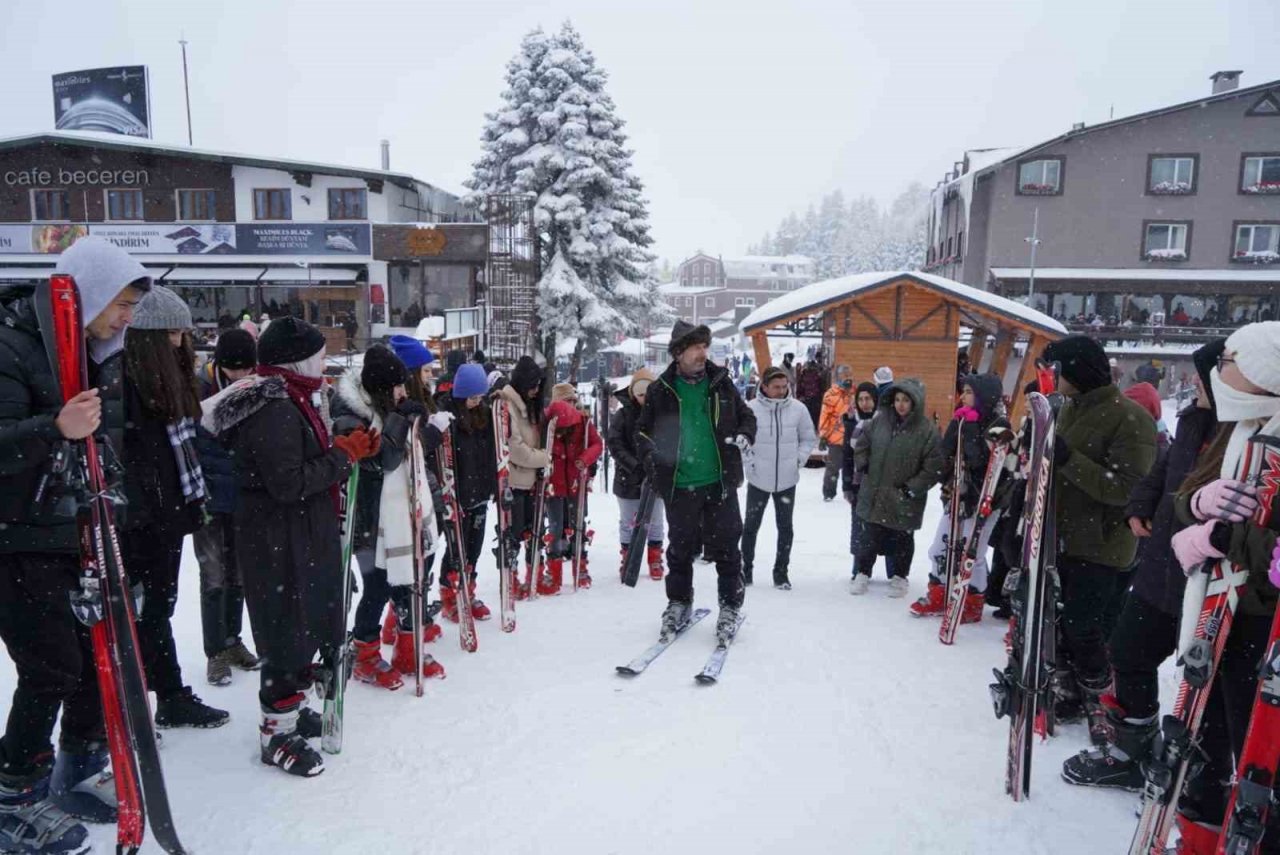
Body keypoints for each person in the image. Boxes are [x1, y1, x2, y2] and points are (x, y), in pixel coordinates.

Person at [0, 238, 148, 849]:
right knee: (51, 667)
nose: (125, 318)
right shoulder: (11, 346)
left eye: (132, 307)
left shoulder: (89, 352)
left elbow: (99, 441)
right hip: (16, 537)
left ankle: (80, 764)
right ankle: (15, 795)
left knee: (96, 654)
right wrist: (53, 428)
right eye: (119, 303)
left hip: (77, 529)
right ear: (84, 290)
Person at [203, 316, 380, 778]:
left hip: (297, 535)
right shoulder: (274, 407)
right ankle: (274, 731)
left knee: (304, 625)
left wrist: (340, 448)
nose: (324, 363)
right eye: (318, 355)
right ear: (295, 360)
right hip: (279, 540)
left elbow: (298, 464)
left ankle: (292, 705)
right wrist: (343, 456)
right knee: (287, 630)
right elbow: (287, 482)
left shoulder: (293, 397)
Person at [1061, 339, 1222, 791]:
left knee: (1208, 690)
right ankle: (1131, 749)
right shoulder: (1194, 422)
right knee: (1128, 653)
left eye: (1205, 372)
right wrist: (1141, 504)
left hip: (1208, 582)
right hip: (1160, 566)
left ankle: (1201, 785)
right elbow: (1162, 471)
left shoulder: (1245, 434)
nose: (1194, 382)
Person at [1159, 322, 1280, 849]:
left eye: (1230, 360)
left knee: (1254, 750)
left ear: (1262, 372)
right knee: (1207, 726)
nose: (1218, 369)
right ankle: (1202, 826)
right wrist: (1200, 511)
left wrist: (1229, 539)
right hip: (1219, 605)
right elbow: (1186, 493)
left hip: (1261, 621)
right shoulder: (1238, 427)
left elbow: (1262, 538)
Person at [117, 287, 230, 730]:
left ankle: (167, 694)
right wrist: (154, 511)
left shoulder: (167, 382)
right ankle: (147, 699)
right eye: (174, 334)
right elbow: (139, 461)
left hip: (167, 516)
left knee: (158, 608)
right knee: (144, 612)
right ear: (148, 337)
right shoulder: (128, 385)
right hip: (141, 522)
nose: (182, 343)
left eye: (184, 333)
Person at [1038, 334, 1156, 735]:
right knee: (1060, 621)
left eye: (1060, 369)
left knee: (1084, 627)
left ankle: (1101, 693)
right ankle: (1070, 691)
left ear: (1078, 370)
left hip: (1104, 544)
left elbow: (1128, 489)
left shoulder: (1130, 418)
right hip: (1063, 536)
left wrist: (1069, 460)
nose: (1055, 378)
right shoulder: (1068, 409)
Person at [331, 345, 446, 688]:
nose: (402, 392)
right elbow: (383, 461)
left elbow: (412, 455)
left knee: (409, 583)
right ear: (381, 388)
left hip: (399, 517)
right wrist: (400, 420)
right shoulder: (350, 414)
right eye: (397, 387)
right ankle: (365, 652)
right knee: (377, 588)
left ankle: (408, 648)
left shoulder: (387, 407)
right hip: (368, 520)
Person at [637, 320, 756, 642]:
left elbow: (747, 416)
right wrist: (653, 464)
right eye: (697, 347)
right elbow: (643, 434)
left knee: (729, 549)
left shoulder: (720, 383)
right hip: (680, 486)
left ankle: (730, 605)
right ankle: (679, 602)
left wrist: (745, 435)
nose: (704, 353)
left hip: (719, 483)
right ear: (679, 352)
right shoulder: (661, 390)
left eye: (705, 346)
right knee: (680, 551)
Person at [909, 373, 1009, 620]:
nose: (963, 396)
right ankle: (939, 591)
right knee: (940, 545)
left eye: (968, 392)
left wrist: (972, 429)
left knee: (971, 553)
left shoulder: (1000, 426)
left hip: (984, 501)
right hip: (958, 496)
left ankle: (973, 599)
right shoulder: (962, 419)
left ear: (983, 396)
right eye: (963, 391)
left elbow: (981, 462)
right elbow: (945, 455)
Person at [194, 329, 262, 687]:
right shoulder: (199, 389)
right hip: (209, 496)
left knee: (239, 574)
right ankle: (214, 653)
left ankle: (233, 641)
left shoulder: (257, 386)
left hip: (243, 495)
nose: (239, 376)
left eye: (245, 368)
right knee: (213, 576)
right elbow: (196, 442)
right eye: (233, 369)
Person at [850, 379, 944, 597]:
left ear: (915, 403)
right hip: (875, 490)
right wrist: (863, 465)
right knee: (868, 537)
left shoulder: (927, 431)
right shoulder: (879, 421)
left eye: (906, 400)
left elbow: (933, 466)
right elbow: (862, 444)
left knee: (901, 539)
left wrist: (912, 488)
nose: (901, 405)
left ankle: (900, 577)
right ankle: (863, 573)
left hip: (903, 495)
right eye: (898, 400)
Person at [741, 366, 817, 589]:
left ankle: (781, 573)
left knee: (785, 528)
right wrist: (750, 464)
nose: (782, 391)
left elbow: (807, 438)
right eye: (776, 387)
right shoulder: (750, 409)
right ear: (764, 386)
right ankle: (746, 571)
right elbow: (743, 441)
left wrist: (798, 460)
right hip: (758, 478)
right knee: (750, 527)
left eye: (785, 387)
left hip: (786, 479)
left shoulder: (798, 409)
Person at [436, 363, 498, 620]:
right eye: (472, 397)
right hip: (458, 493)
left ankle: (468, 590)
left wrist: (493, 485)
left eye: (480, 397)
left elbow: (491, 454)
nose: (477, 401)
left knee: (474, 548)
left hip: (479, 493)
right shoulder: (447, 417)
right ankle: (449, 593)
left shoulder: (484, 416)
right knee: (455, 550)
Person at [495, 356, 553, 598]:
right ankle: (511, 577)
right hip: (516, 481)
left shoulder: (530, 406)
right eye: (533, 385)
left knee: (535, 531)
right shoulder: (507, 407)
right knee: (513, 535)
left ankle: (535, 574)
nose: (536, 390)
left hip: (533, 481)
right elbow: (515, 449)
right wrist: (544, 457)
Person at [607, 368, 666, 582]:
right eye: (641, 394)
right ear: (634, 394)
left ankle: (655, 557)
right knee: (628, 521)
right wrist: (634, 465)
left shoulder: (662, 415)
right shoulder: (623, 416)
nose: (644, 399)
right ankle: (628, 557)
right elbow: (615, 443)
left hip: (656, 477)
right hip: (628, 478)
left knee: (656, 520)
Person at [543, 386, 604, 592]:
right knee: (556, 526)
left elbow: (597, 444)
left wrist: (584, 459)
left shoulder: (583, 423)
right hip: (555, 482)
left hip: (576, 482)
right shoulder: (549, 423)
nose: (569, 406)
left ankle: (581, 565)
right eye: (565, 401)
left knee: (578, 524)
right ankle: (554, 569)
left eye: (571, 401)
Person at [841, 381, 879, 576]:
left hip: (880, 483)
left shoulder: (884, 422)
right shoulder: (851, 423)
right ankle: (860, 568)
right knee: (859, 526)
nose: (865, 403)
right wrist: (846, 485)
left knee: (882, 526)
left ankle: (895, 571)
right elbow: (847, 456)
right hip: (858, 483)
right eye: (861, 399)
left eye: (868, 399)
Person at [818, 365, 854, 501]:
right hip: (836, 438)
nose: (848, 377)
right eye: (845, 375)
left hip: (853, 437)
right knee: (833, 468)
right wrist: (823, 436)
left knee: (853, 467)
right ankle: (828, 493)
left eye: (849, 374)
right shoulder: (831, 394)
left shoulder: (854, 393)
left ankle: (851, 491)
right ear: (838, 377)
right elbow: (824, 416)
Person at [796, 354, 826, 428]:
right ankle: (814, 428)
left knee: (809, 416)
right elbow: (822, 387)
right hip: (814, 399)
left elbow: (799, 387)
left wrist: (799, 396)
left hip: (810, 399)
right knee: (814, 415)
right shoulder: (817, 375)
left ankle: (811, 428)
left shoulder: (804, 375)